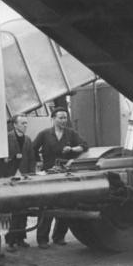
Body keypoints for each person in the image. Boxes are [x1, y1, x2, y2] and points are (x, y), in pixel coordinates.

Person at [33, 107, 88, 249]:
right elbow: (33, 149)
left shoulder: (71, 133)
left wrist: (72, 151)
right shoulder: (44, 134)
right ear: (53, 118)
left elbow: (84, 146)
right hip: (48, 174)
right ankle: (42, 239)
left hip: (65, 173)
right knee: (46, 205)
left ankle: (59, 237)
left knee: (65, 204)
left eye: (65, 118)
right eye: (60, 118)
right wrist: (39, 164)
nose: (63, 120)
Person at [3, 114, 36, 252]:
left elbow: (31, 159)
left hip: (24, 178)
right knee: (11, 211)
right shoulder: (7, 138)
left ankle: (21, 238)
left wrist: (31, 176)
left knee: (23, 210)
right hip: (10, 179)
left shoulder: (28, 140)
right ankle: (10, 241)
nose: (25, 125)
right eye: (22, 123)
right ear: (15, 124)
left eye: (26, 123)